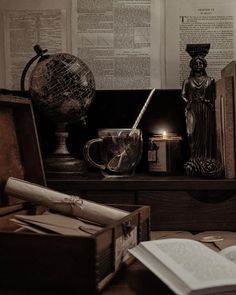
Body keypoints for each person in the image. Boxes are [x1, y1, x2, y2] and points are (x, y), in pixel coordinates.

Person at [181, 55, 216, 159]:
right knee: (193, 134)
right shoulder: (187, 81)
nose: (198, 65)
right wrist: (189, 101)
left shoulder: (211, 80)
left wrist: (210, 103)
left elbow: (214, 96)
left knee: (206, 133)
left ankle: (206, 157)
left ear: (204, 65)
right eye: (195, 63)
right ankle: (195, 158)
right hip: (193, 109)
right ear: (192, 66)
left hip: (206, 109)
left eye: (200, 63)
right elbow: (183, 95)